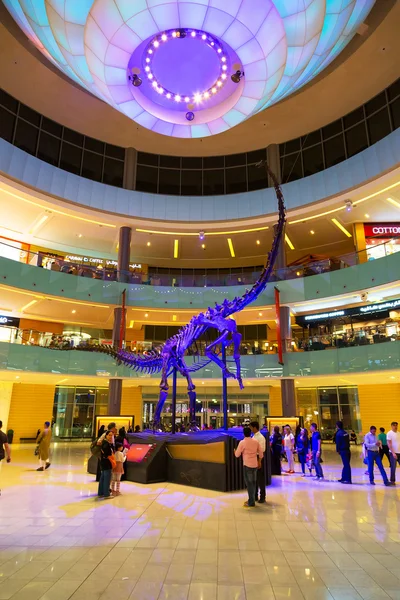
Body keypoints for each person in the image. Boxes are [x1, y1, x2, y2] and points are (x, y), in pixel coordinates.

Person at [234, 427, 263, 507]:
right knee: (253, 482)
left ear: (244, 433)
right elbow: (261, 453)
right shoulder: (256, 441)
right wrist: (259, 460)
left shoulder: (242, 442)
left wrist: (235, 451)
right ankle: (252, 499)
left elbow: (237, 455)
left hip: (247, 465)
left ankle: (251, 501)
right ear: (251, 433)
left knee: (249, 484)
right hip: (255, 465)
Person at [250, 421, 266, 503]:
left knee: (260, 479)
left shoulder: (260, 437)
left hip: (259, 458)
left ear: (254, 427)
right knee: (254, 479)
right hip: (254, 458)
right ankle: (255, 495)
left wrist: (259, 461)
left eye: (251, 427)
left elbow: (262, 450)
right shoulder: (253, 436)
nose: (250, 429)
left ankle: (262, 496)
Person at [98, 430, 115, 499]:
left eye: (112, 435)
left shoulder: (103, 442)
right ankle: (106, 494)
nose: (110, 437)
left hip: (103, 462)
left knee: (103, 478)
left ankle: (101, 492)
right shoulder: (106, 443)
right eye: (109, 435)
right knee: (107, 479)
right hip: (107, 462)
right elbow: (107, 453)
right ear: (106, 436)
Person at [0, 420, 11, 495]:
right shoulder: (3, 435)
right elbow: (7, 447)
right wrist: (9, 456)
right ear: (1, 426)